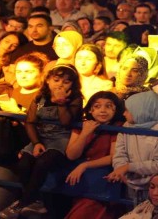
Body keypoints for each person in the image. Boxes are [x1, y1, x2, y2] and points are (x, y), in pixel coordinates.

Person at [0, 65, 83, 218]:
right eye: (56, 80)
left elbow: (65, 122)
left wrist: (61, 102)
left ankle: (21, 203)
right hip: (40, 137)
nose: (60, 84)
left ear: (73, 84)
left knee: (42, 163)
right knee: (23, 164)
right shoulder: (40, 97)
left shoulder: (75, 99)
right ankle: (36, 201)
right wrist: (36, 143)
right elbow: (30, 122)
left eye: (66, 82)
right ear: (48, 80)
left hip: (61, 139)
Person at [64, 91, 126, 219]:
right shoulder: (82, 125)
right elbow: (71, 155)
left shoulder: (118, 127)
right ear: (91, 110)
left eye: (108, 106)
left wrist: (85, 165)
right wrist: (85, 133)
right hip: (79, 176)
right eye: (97, 106)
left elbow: (113, 157)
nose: (103, 110)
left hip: (101, 176)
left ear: (116, 110)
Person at [107, 89, 158, 204]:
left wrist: (128, 167)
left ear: (140, 111)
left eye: (128, 110)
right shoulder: (126, 127)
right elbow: (119, 154)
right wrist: (120, 170)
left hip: (153, 186)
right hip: (129, 183)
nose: (124, 114)